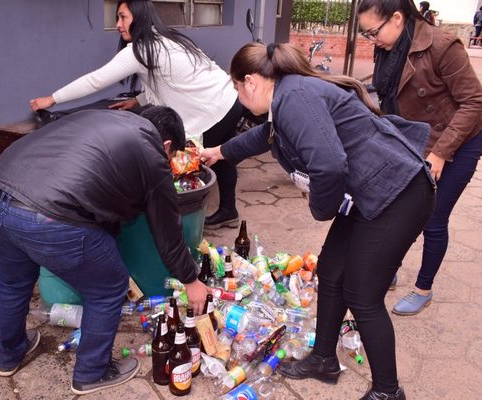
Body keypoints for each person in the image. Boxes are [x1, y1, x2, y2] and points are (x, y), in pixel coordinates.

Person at [201, 42, 436, 400]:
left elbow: (329, 165)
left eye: (236, 90)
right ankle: (324, 358)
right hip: (372, 193)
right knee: (331, 271)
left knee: (362, 293)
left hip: (399, 192)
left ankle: (388, 392)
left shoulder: (294, 97)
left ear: (250, 82)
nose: (240, 100)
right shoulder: (286, 98)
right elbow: (265, 136)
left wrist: (321, 209)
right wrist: (219, 152)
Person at [0, 106, 210, 395]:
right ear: (166, 145)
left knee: (12, 282)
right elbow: (168, 233)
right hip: (47, 217)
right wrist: (190, 279)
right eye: (171, 155)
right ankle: (92, 372)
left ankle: (9, 355)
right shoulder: (152, 153)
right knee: (109, 287)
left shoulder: (102, 117)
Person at [30, 0, 243, 230]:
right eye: (117, 17)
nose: (118, 24)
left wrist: (52, 99)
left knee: (180, 159)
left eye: (123, 17)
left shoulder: (139, 50)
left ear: (139, 17)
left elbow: (96, 80)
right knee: (221, 158)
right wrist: (138, 100)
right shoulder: (165, 38)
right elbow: (167, 80)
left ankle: (174, 225)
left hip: (214, 109)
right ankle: (227, 211)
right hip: (229, 99)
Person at [358, 0, 482, 316]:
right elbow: (388, 97)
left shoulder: (442, 45)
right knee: (400, 208)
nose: (373, 40)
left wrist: (441, 153)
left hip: (459, 140)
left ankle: (423, 289)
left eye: (374, 31)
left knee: (433, 217)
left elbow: (474, 102)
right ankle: (390, 268)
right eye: (367, 34)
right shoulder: (389, 47)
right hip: (414, 139)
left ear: (397, 18)